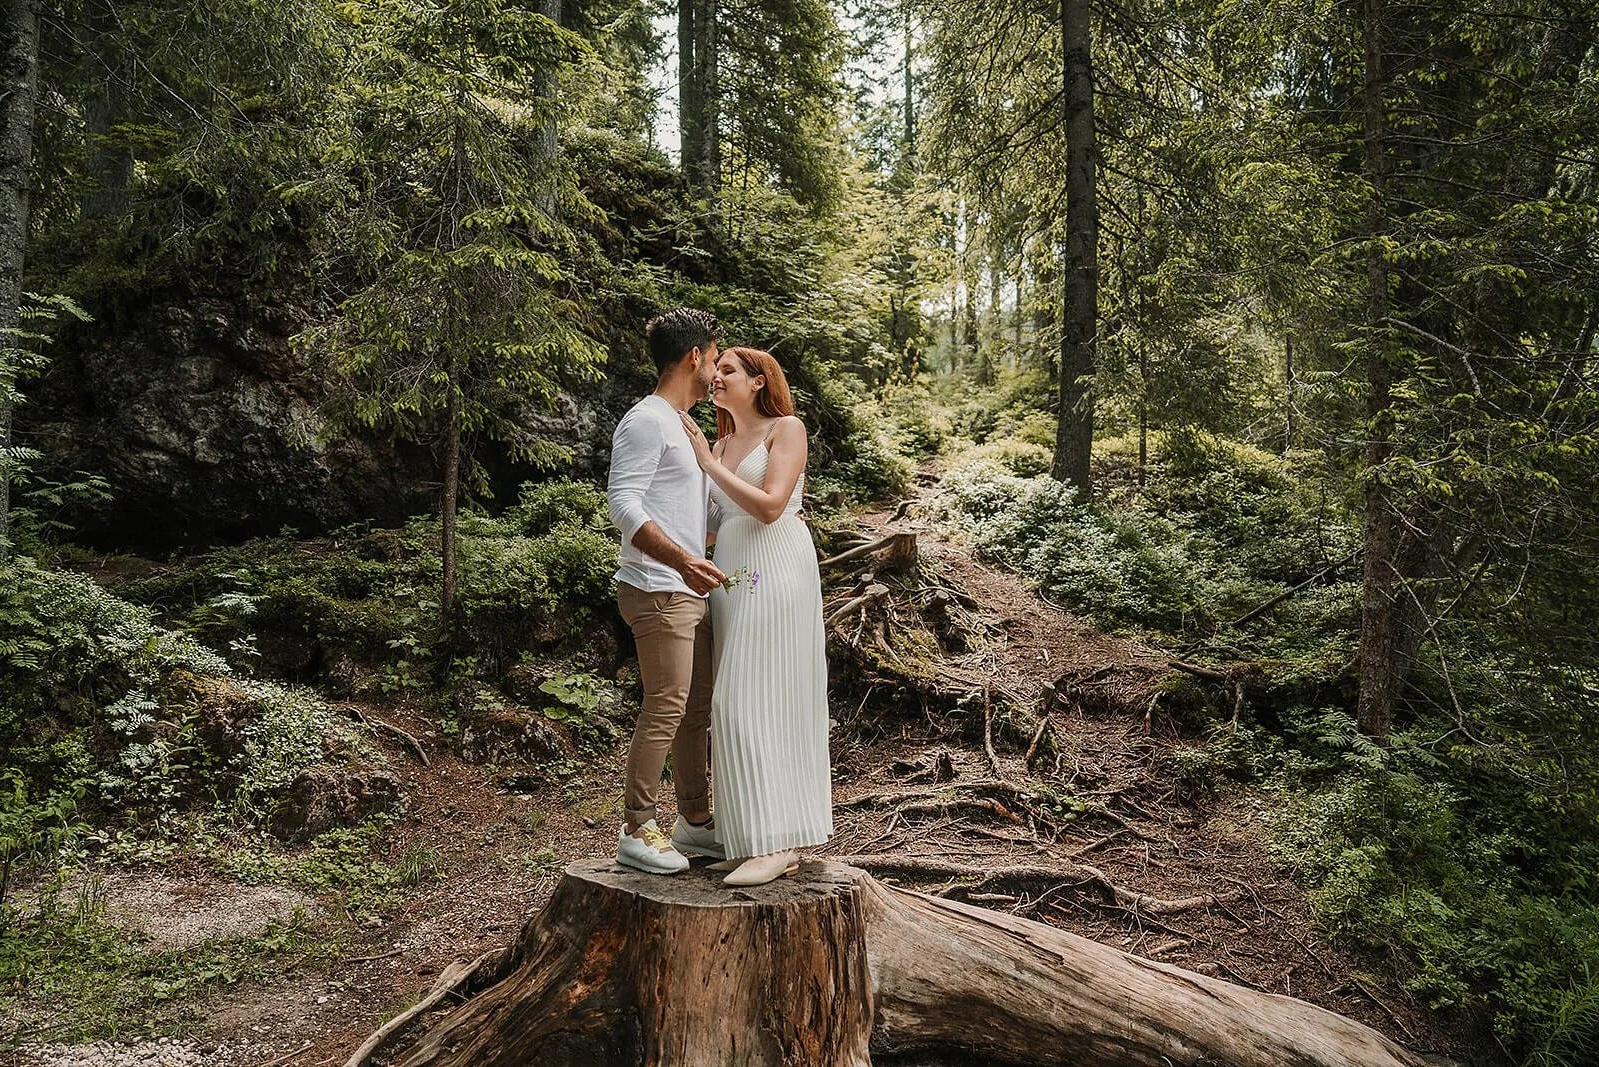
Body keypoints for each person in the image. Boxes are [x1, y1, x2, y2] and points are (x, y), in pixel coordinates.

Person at [678, 347, 834, 887]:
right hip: (734, 577)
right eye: (714, 370)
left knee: (753, 696)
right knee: (733, 703)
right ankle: (749, 838)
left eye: (727, 371)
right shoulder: (720, 442)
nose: (715, 377)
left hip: (776, 571)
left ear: (758, 381)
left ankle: (780, 843)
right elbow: (716, 525)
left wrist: (709, 466)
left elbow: (770, 505)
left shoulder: (785, 429)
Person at [605, 308, 729, 874]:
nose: (716, 374)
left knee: (696, 710)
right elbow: (624, 505)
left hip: (690, 587)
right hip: (657, 587)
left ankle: (696, 824)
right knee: (667, 706)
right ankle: (637, 829)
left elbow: (695, 511)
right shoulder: (646, 420)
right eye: (713, 358)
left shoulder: (685, 424)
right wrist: (682, 560)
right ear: (693, 358)